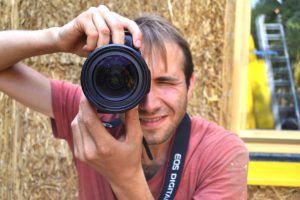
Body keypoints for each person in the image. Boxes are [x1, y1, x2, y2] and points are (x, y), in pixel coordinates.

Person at [0, 5, 249, 200]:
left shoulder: (220, 154)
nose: (149, 104)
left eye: (166, 82)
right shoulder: (91, 115)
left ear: (190, 84)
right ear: (109, 82)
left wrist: (125, 177)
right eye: (134, 81)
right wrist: (56, 38)